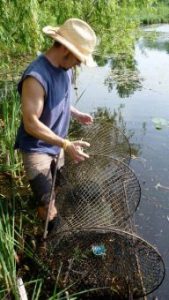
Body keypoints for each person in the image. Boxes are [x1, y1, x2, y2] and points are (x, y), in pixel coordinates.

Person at [14, 18, 97, 226]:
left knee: (56, 189)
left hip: (57, 146)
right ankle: (46, 238)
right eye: (79, 59)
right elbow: (30, 124)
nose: (79, 63)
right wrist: (66, 144)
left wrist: (76, 114)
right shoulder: (36, 77)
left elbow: (58, 100)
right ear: (66, 50)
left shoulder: (66, 68)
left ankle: (45, 213)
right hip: (37, 149)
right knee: (48, 208)